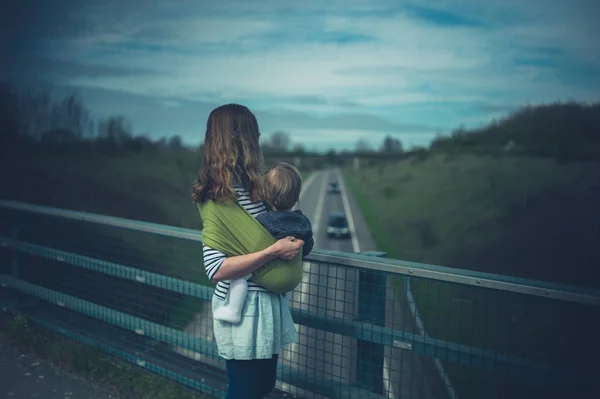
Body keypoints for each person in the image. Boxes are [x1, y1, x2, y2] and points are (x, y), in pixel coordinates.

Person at [191, 104, 304, 399]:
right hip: (243, 310)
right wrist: (273, 251)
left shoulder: (257, 187)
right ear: (240, 138)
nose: (259, 137)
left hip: (269, 306)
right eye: (253, 132)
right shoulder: (217, 198)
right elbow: (215, 268)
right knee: (244, 392)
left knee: (263, 387)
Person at [213, 161, 314, 324]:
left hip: (266, 272)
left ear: (266, 195)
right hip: (291, 281)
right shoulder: (303, 222)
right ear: (296, 195)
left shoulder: (262, 221)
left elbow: (251, 246)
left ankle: (233, 310)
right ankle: (282, 313)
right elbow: (307, 248)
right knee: (284, 286)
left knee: (239, 276)